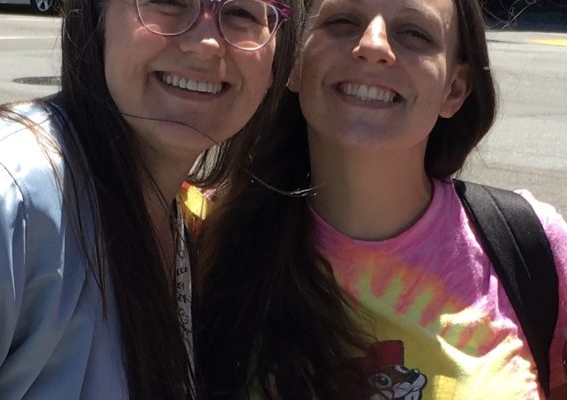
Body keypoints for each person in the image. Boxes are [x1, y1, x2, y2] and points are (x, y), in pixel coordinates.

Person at [195, 0, 567, 398]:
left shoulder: (535, 248)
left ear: (454, 89)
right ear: (295, 65)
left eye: (414, 34)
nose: (373, 45)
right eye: (341, 21)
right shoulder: (204, 237)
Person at [0, 0, 301, 397]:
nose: (206, 43)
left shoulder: (177, 220)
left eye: (243, 13)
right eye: (169, 2)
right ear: (96, 16)